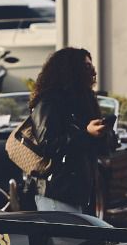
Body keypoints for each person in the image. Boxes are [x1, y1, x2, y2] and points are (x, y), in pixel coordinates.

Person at [29, 46, 112, 214]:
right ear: (70, 69)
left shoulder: (83, 100)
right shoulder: (49, 101)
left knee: (84, 239)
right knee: (67, 240)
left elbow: (96, 148)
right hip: (57, 191)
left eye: (91, 66)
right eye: (86, 67)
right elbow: (47, 145)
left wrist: (104, 135)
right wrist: (86, 134)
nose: (92, 71)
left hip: (81, 191)